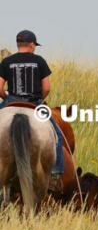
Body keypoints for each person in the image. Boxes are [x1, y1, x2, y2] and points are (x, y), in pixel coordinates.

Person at [0, 30, 64, 192]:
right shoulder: (39, 61)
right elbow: (47, 87)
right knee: (57, 135)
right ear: (31, 44)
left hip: (11, 101)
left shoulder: (7, 61)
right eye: (35, 45)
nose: (35, 47)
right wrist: (39, 99)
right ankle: (55, 174)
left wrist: (6, 97)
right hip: (34, 103)